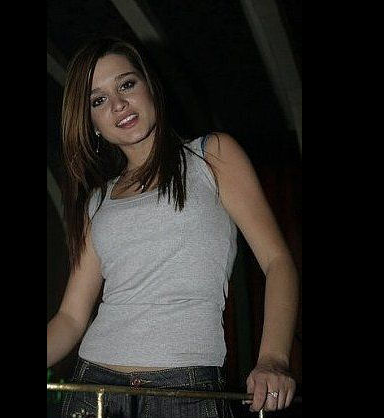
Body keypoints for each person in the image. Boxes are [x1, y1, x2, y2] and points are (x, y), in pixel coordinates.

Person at [47, 36, 299, 418]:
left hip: (185, 390)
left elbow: (277, 260)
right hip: (95, 388)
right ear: (92, 123)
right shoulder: (97, 200)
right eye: (98, 100)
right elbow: (70, 318)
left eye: (126, 84)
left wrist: (273, 358)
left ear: (149, 86)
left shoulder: (211, 156)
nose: (118, 104)